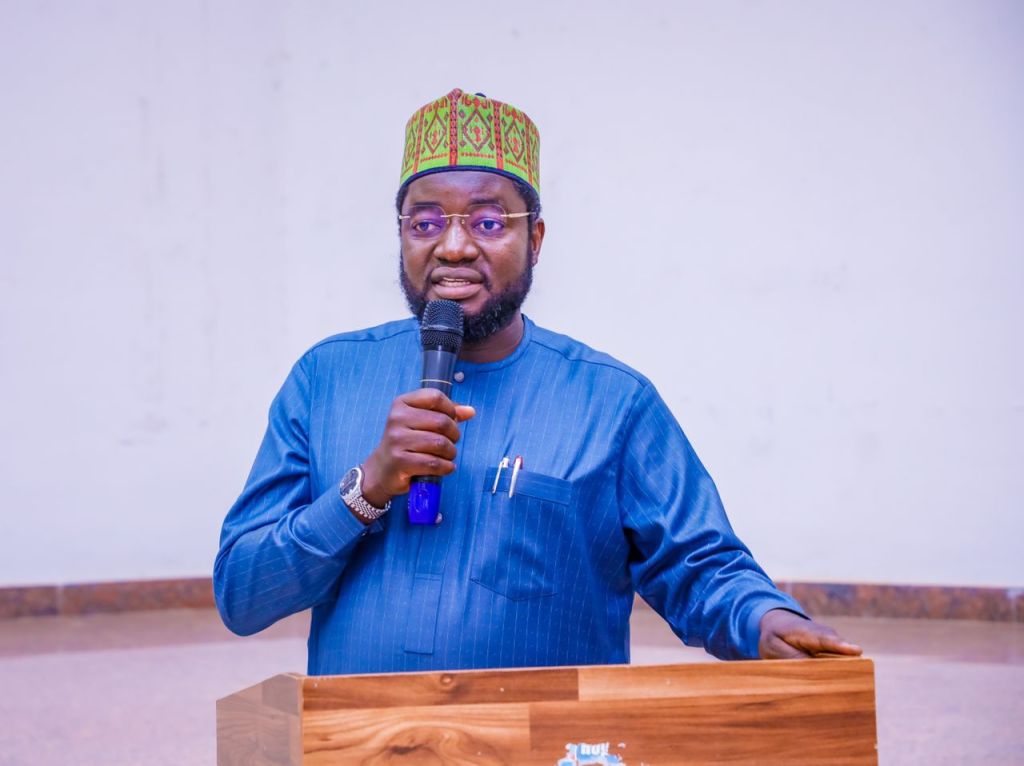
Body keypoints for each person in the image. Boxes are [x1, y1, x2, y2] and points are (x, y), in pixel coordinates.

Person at [214, 88, 861, 675]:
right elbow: (243, 594)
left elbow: (699, 566)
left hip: (547, 743)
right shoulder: (325, 380)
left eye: (489, 222)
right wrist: (366, 488)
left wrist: (764, 621)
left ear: (537, 239)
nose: (454, 246)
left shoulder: (612, 402)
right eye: (425, 222)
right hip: (359, 741)